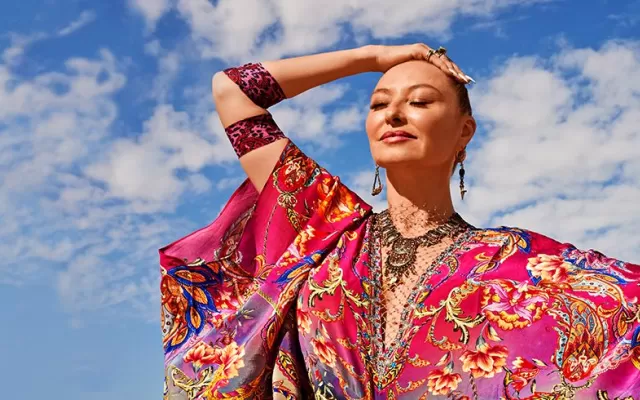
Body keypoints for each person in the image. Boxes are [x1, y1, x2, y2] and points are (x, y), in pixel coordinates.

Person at [158, 44, 640, 399]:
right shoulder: (323, 223)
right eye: (378, 103)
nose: (393, 114)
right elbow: (235, 91)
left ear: (463, 132)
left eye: (420, 101)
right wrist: (374, 57)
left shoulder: (518, 263)